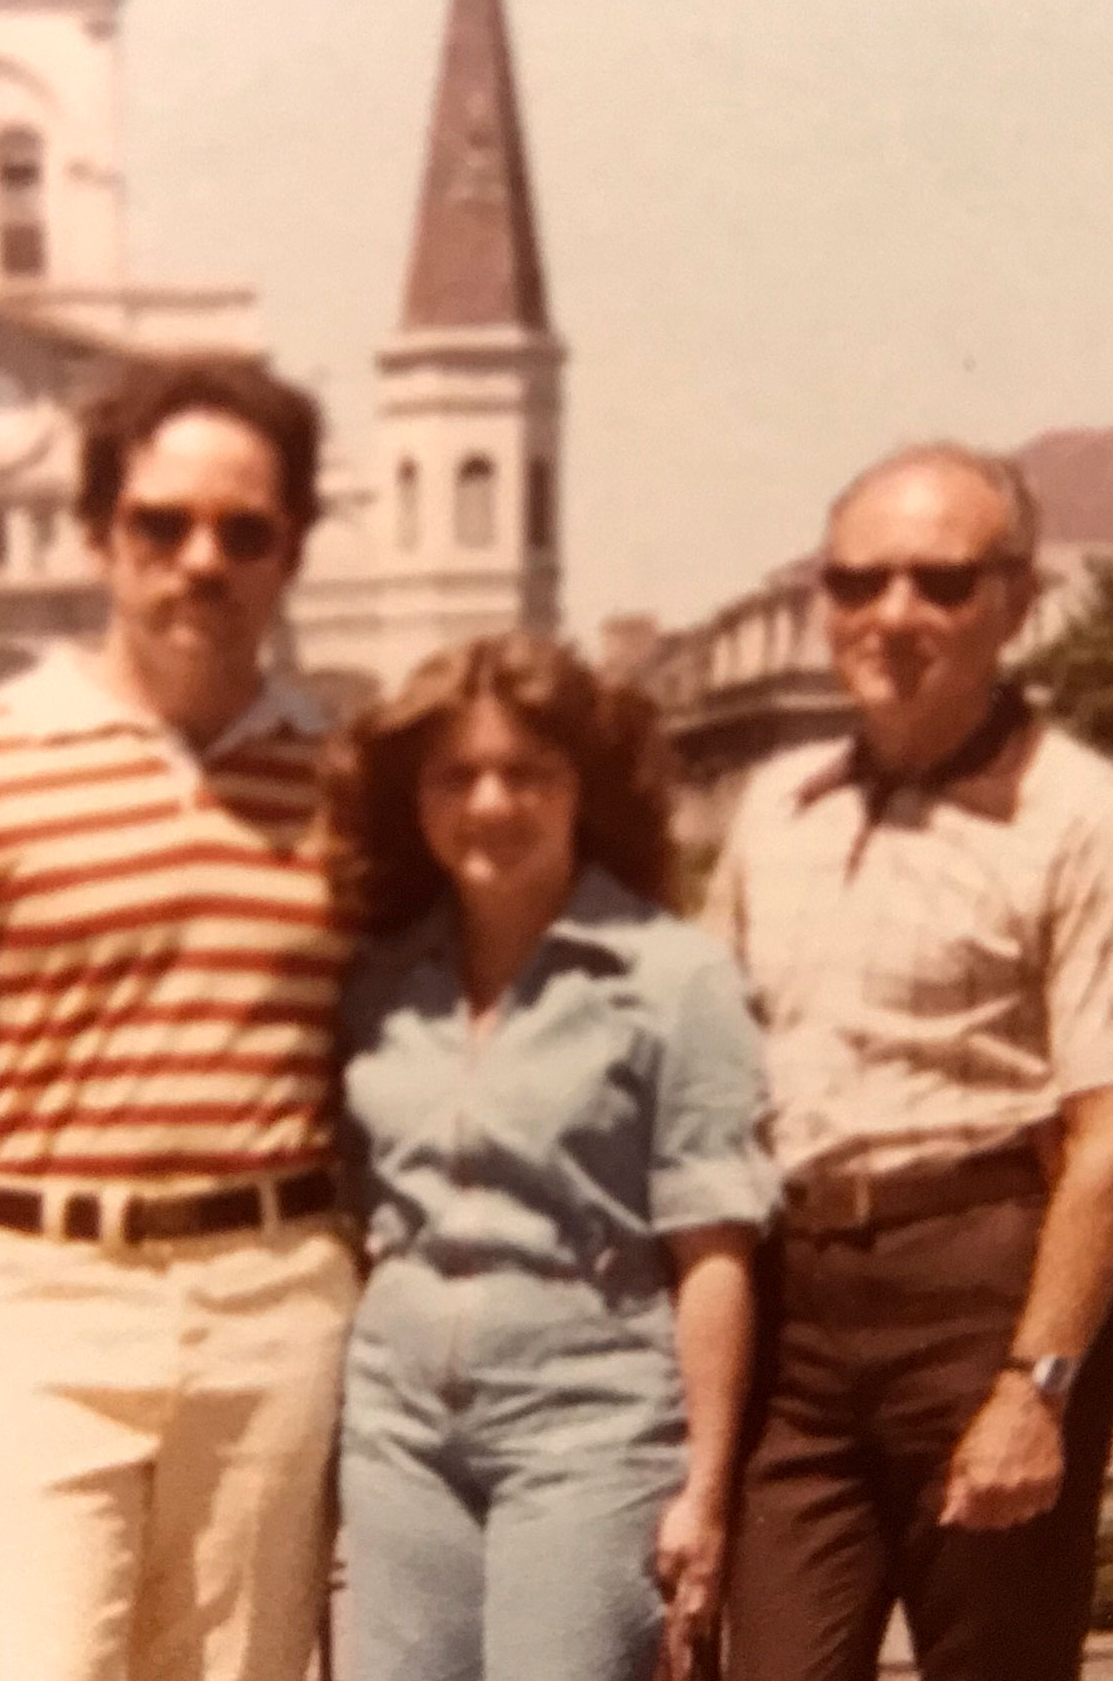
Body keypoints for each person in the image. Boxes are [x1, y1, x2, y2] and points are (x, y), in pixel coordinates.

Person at [0, 358, 355, 1681]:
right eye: (161, 525)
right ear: (102, 538)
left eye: (244, 530)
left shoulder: (353, 783)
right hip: (43, 1298)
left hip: (276, 1299)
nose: (200, 561)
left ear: (292, 549)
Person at [706, 443, 1113, 1681]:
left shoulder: (1089, 816)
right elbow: (699, 1070)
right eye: (859, 582)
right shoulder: (776, 812)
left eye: (941, 582)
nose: (894, 615)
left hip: (982, 1300)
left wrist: (1039, 1385)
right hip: (797, 1318)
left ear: (1016, 603)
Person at [323, 635, 775, 1681]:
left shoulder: (676, 979)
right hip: (398, 1428)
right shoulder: (382, 977)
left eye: (528, 773)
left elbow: (714, 1247)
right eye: (457, 775)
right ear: (416, 799)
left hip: (590, 1421)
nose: (491, 802)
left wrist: (705, 1489)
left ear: (584, 789)